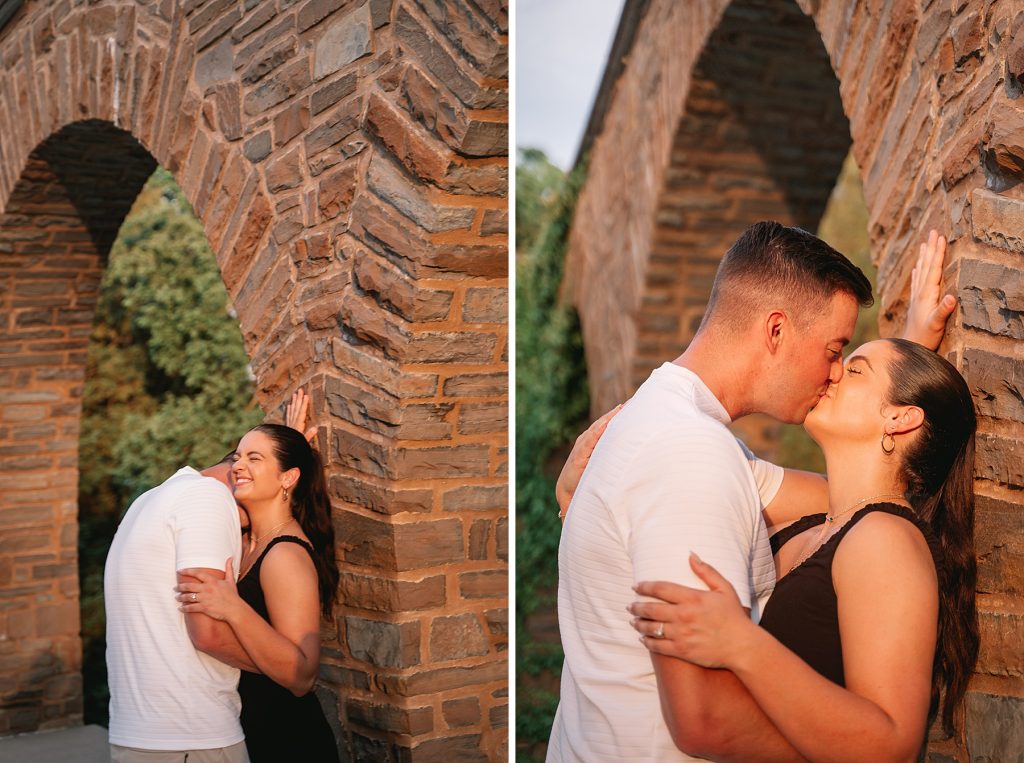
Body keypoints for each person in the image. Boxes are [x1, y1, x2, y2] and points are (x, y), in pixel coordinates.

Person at [546, 222, 957, 761]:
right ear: (777, 331)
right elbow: (705, 718)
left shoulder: (679, 424)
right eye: (836, 350)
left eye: (848, 364)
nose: (833, 373)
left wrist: (906, 383)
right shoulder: (691, 451)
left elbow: (852, 500)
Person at [628, 336, 977, 761]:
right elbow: (673, 437)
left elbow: (892, 746)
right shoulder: (818, 521)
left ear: (901, 419)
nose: (832, 373)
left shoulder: (887, 540)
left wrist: (741, 642)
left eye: (854, 369)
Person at [175, 422, 340, 763]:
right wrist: (274, 445)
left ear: (288, 478)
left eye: (253, 458)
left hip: (287, 738)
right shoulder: (247, 541)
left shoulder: (285, 554)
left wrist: (233, 608)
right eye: (237, 457)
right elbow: (196, 483)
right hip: (249, 727)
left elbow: (303, 676)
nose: (237, 466)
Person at [104, 452, 249, 763]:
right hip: (191, 735)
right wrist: (288, 667)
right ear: (240, 471)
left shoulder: (148, 500)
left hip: (138, 734)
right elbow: (208, 634)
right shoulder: (207, 495)